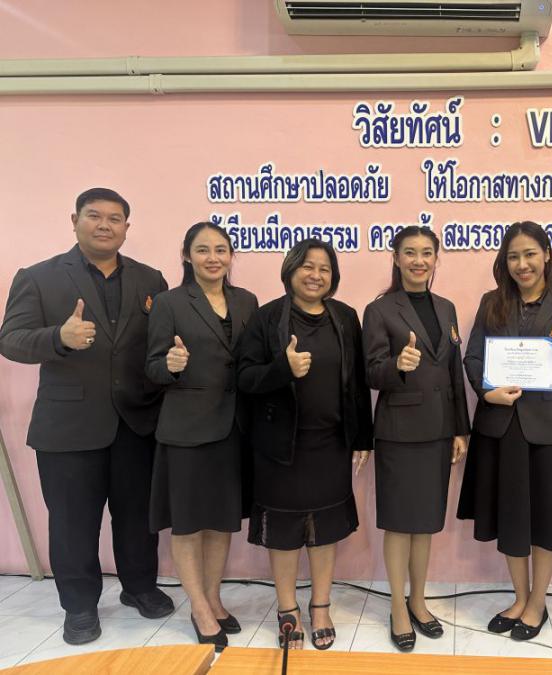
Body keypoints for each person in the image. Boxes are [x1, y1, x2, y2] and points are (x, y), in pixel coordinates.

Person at [0, 188, 174, 645]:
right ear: (74, 220)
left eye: (115, 219)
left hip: (137, 423)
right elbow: (11, 340)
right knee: (73, 523)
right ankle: (79, 606)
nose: (104, 225)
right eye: (94, 216)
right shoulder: (38, 277)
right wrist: (58, 337)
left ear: (126, 228)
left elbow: (158, 343)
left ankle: (139, 587)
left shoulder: (150, 279)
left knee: (137, 517)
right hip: (68, 427)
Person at [238, 238, 373, 651]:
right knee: (282, 530)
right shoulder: (266, 318)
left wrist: (362, 437)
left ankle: (320, 606)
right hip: (280, 447)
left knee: (325, 529)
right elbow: (245, 378)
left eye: (324, 268)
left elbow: (358, 382)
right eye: (307, 266)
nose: (316, 275)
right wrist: (283, 368)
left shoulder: (345, 317)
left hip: (331, 444)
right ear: (291, 270)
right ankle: (287, 608)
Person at [457, 220, 552, 642]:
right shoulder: (491, 302)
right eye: (513, 256)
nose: (522, 264)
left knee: (546, 519)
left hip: (548, 428)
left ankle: (537, 602)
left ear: (546, 255)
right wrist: (487, 392)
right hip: (501, 426)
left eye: (530, 254)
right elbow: (473, 358)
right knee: (511, 517)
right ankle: (519, 597)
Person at [145, 221, 257, 651]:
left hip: (234, 428)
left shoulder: (246, 300)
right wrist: (170, 365)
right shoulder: (169, 303)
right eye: (203, 249)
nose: (213, 257)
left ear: (231, 256)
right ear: (187, 256)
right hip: (187, 429)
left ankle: (213, 597)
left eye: (221, 249)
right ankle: (198, 607)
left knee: (221, 520)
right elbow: (152, 367)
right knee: (190, 523)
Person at [362, 225, 469, 652]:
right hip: (400, 431)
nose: (419, 260)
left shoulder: (446, 307)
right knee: (399, 523)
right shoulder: (380, 309)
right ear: (396, 257)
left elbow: (454, 371)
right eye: (410, 252)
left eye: (427, 252)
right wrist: (398, 365)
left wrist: (460, 427)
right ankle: (397, 607)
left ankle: (419, 601)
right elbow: (371, 372)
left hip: (439, 430)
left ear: (436, 258)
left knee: (425, 523)